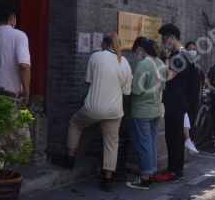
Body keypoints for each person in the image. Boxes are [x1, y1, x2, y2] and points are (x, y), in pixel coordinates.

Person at [59, 34, 132, 191]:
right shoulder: (125, 62)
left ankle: (70, 158)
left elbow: (89, 81)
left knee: (75, 123)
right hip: (115, 110)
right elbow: (126, 91)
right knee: (112, 143)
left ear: (103, 44)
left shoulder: (96, 57)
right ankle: (107, 180)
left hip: (94, 107)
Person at [154, 24, 196, 183]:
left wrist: (165, 58)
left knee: (174, 137)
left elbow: (169, 76)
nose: (165, 43)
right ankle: (176, 170)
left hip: (175, 101)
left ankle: (174, 171)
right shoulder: (182, 54)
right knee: (175, 136)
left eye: (165, 39)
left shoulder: (180, 56)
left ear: (171, 37)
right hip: (178, 101)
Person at [126, 37, 166, 190]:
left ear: (140, 49)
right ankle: (151, 173)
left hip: (142, 110)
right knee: (151, 143)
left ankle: (145, 178)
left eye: (136, 51)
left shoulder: (143, 64)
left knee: (143, 145)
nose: (137, 54)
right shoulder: (161, 63)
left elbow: (136, 90)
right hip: (156, 109)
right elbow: (163, 87)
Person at [0, 0, 31, 104]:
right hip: (10, 97)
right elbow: (24, 65)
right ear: (12, 17)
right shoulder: (19, 35)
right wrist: (27, 94)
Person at [183, 41, 206, 154]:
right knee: (184, 123)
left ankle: (190, 142)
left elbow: (204, 82)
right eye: (190, 49)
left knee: (191, 122)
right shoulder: (183, 66)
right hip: (183, 99)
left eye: (194, 49)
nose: (192, 51)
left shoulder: (198, 68)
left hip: (194, 100)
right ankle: (186, 143)